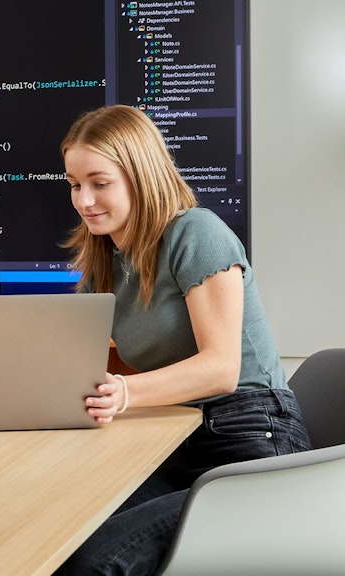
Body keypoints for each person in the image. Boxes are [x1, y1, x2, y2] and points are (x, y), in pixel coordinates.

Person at [55, 105, 311, 575]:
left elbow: (220, 368)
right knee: (61, 537)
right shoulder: (105, 265)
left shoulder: (197, 232)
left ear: (140, 174)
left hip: (250, 437)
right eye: (74, 184)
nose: (84, 199)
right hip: (177, 439)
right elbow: (67, 362)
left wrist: (125, 393)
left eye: (100, 182)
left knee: (98, 561)